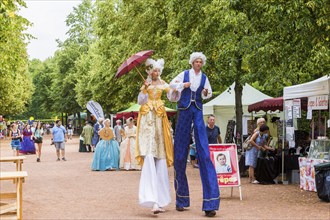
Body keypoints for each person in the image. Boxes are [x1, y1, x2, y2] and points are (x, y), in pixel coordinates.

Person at [170, 52, 219, 217]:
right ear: (192, 63)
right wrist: (183, 85)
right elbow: (171, 86)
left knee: (204, 153)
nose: (199, 64)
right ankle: (181, 199)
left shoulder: (204, 78)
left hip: (197, 111)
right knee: (179, 154)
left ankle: (210, 203)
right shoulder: (183, 74)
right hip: (184, 111)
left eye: (200, 62)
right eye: (196, 61)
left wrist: (205, 93)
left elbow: (208, 93)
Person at [135, 58, 175, 215]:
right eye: (152, 70)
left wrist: (176, 89)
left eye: (157, 70)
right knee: (150, 155)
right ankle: (152, 200)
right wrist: (144, 90)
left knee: (160, 156)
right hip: (147, 119)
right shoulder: (145, 84)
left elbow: (172, 96)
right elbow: (140, 101)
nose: (155, 72)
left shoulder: (163, 83)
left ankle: (160, 200)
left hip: (159, 118)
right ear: (149, 71)